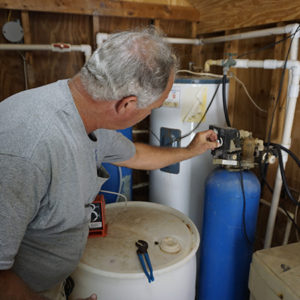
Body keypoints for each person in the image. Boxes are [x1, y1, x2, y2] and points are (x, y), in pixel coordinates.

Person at [0, 27, 218, 300]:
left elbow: (136, 155)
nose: (149, 114)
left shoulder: (84, 112)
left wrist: (190, 151)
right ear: (127, 105)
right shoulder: (26, 150)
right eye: (152, 109)